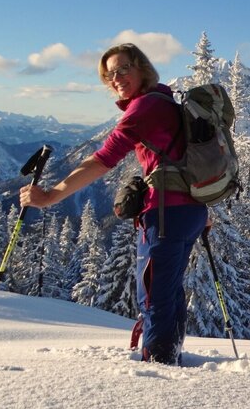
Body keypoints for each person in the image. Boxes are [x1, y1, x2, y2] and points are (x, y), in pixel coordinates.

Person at [21, 43, 207, 365]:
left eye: (124, 69)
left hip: (165, 215)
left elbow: (102, 160)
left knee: (154, 296)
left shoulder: (145, 107)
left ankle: (161, 371)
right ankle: (170, 358)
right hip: (189, 212)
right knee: (168, 290)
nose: (116, 78)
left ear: (142, 69)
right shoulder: (166, 100)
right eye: (110, 74)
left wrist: (51, 196)